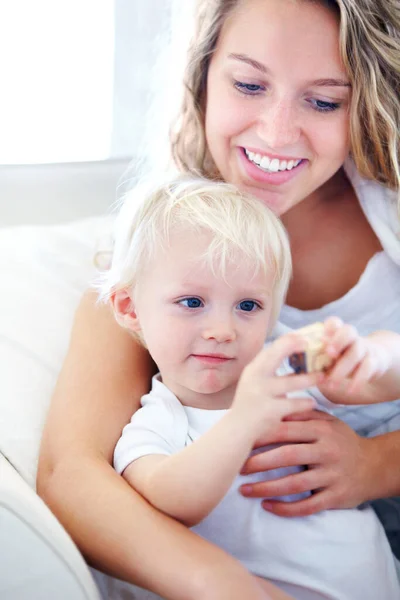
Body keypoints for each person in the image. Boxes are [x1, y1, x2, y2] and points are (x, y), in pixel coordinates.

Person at [37, 1, 400, 598]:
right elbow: (72, 476)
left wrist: (376, 466)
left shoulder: (386, 215)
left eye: (325, 100)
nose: (277, 132)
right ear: (203, 76)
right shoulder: (151, 267)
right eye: (250, 84)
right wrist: (230, 587)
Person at [100, 173, 399, 599]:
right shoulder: (159, 418)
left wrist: (374, 356)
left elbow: (382, 383)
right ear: (130, 308)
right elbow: (172, 501)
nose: (222, 329)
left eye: (247, 305)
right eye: (192, 302)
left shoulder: (282, 370)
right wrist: (243, 418)